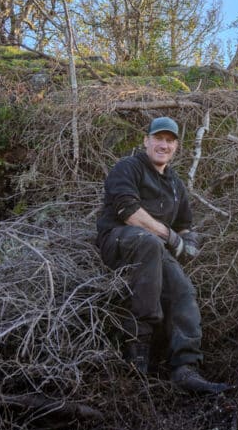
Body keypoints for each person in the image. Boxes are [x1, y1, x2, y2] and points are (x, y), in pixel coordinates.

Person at [95, 117, 229, 395]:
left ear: (176, 147)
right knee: (150, 242)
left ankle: (185, 367)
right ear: (146, 141)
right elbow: (128, 212)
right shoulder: (128, 168)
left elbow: (185, 226)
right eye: (158, 138)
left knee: (183, 289)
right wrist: (171, 237)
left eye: (170, 140)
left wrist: (190, 241)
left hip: (153, 250)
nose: (163, 145)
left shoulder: (176, 185)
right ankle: (138, 351)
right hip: (118, 240)